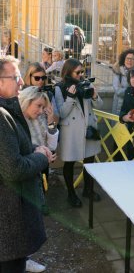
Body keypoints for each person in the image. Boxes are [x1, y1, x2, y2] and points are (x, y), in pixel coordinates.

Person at [0, 56, 54, 273]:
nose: (22, 82)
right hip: (8, 220)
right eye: (16, 76)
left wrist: (34, 150)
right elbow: (13, 168)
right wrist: (41, 157)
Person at [18, 86, 59, 272]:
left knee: (31, 216)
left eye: (44, 107)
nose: (41, 110)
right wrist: (39, 152)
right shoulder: (14, 122)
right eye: (39, 106)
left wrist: (51, 122)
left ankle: (24, 258)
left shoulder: (40, 117)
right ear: (27, 101)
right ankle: (21, 259)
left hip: (38, 169)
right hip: (24, 172)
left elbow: (52, 144)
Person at [54, 58, 103, 208]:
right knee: (69, 162)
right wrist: (70, 97)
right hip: (72, 131)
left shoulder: (87, 84)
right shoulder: (59, 88)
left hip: (88, 128)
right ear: (68, 72)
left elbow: (99, 105)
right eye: (78, 72)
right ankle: (71, 193)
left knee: (90, 161)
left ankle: (88, 190)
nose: (81, 75)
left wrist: (94, 95)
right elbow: (61, 113)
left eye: (82, 71)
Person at [112, 49, 134, 115]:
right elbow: (118, 91)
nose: (129, 61)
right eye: (127, 58)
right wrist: (133, 90)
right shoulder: (118, 72)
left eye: (132, 59)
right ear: (124, 59)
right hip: (119, 107)